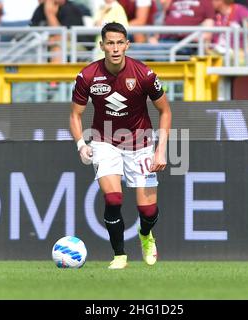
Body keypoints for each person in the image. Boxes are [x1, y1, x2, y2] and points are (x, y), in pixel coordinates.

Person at [69, 22, 172, 269]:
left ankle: (146, 235)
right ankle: (119, 256)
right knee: (113, 199)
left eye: (119, 43)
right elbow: (75, 115)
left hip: (141, 144)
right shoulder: (87, 76)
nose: (115, 48)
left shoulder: (144, 74)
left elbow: (165, 111)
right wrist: (81, 144)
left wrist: (161, 148)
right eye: (110, 43)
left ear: (127, 44)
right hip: (105, 142)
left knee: (148, 212)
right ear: (102, 45)